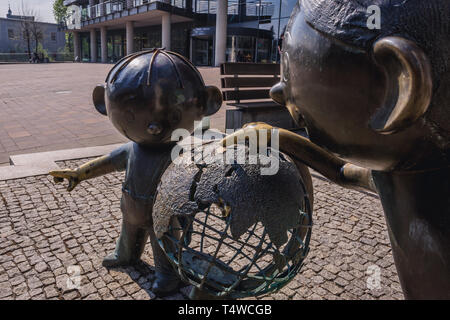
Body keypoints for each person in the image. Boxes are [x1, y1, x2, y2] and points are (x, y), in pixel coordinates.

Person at [224, 0, 450, 299]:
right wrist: (277, 138)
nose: (278, 93)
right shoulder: (402, 169)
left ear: (395, 89)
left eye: (291, 72)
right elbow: (343, 173)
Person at [50, 49, 222, 296]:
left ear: (207, 104)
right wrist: (79, 173)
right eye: (132, 115)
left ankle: (167, 275)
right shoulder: (132, 150)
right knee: (128, 232)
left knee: (164, 244)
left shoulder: (178, 155)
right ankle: (126, 254)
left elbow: (196, 181)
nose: (153, 126)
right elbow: (106, 163)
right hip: (130, 205)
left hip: (162, 214)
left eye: (170, 115)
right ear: (102, 102)